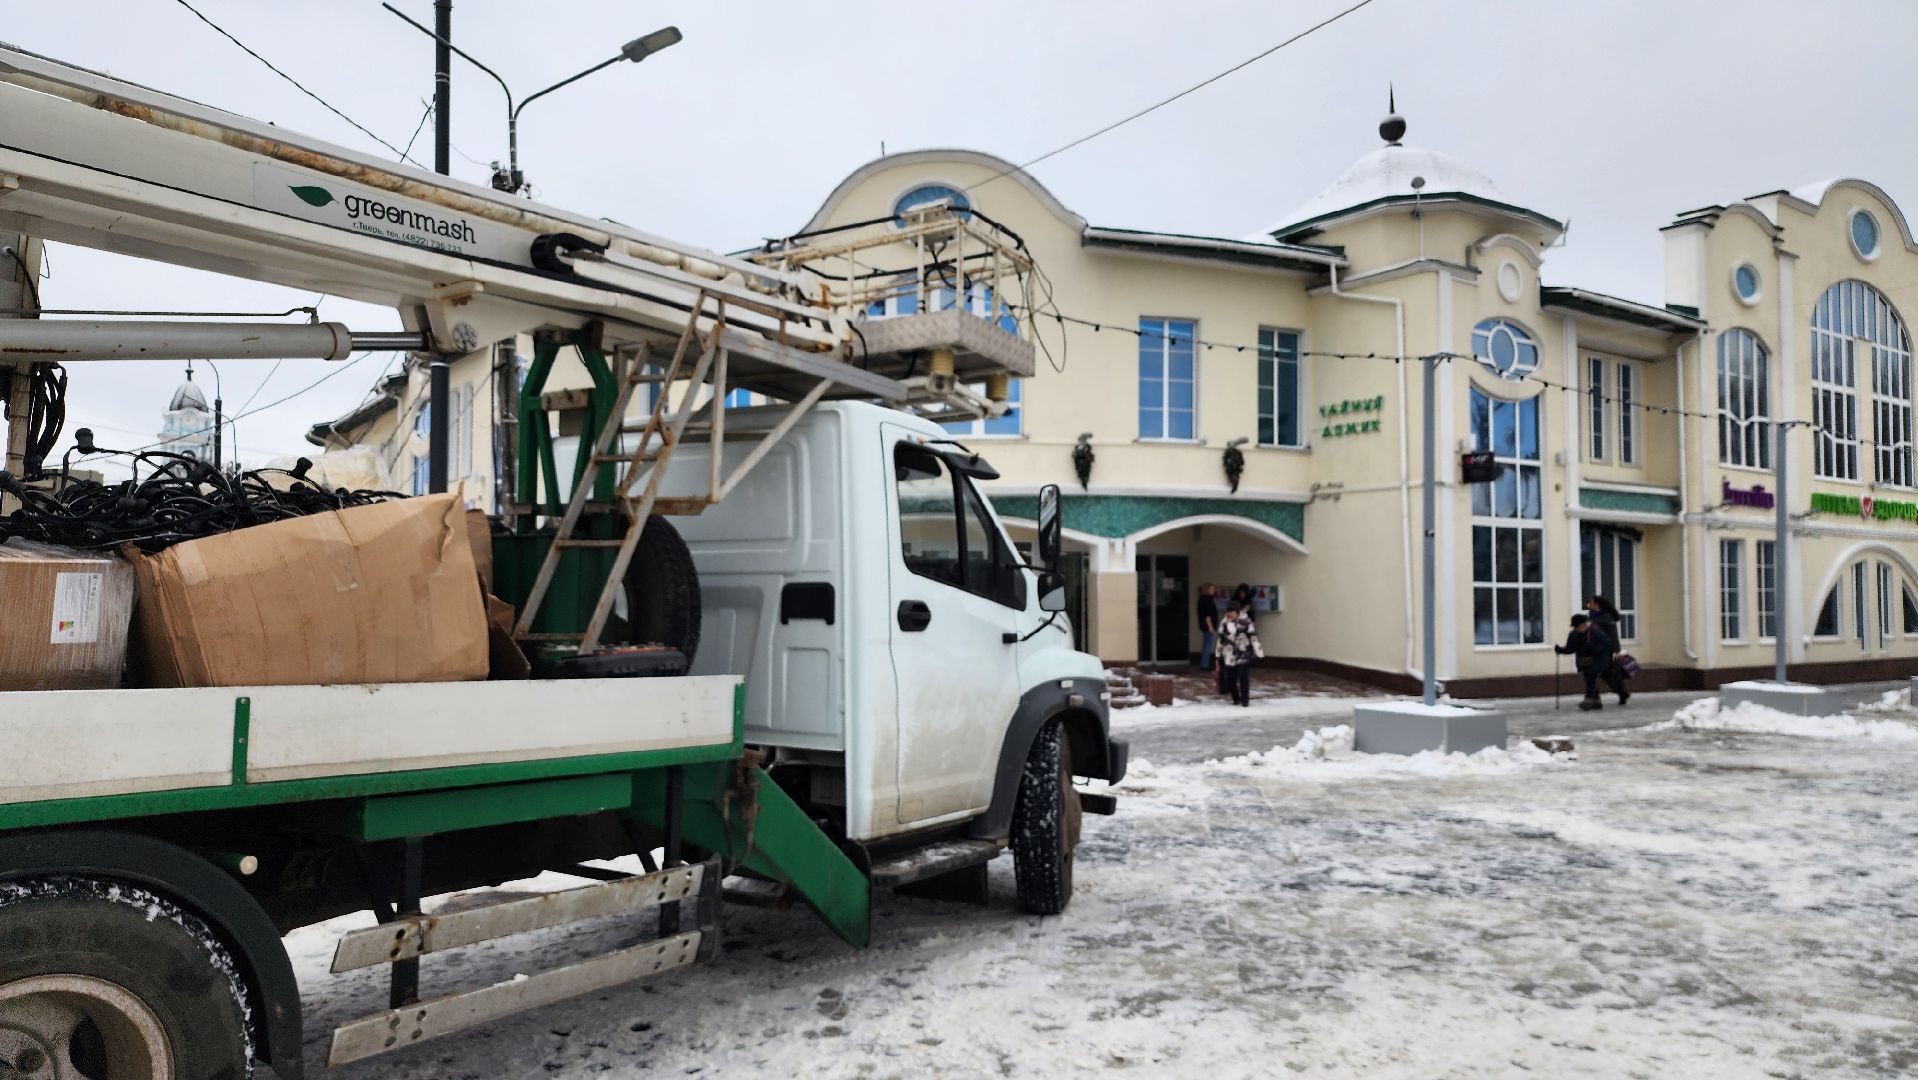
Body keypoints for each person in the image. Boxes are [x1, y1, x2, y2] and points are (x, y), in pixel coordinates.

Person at [1554, 613, 1615, 711]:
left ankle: (1588, 701)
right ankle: (1596, 701)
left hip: (1598, 660)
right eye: (1575, 627)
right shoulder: (1573, 634)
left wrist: (1595, 649)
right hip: (1583, 661)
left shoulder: (1595, 632)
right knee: (1589, 679)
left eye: (1577, 626)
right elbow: (1570, 649)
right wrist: (1560, 650)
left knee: (1591, 678)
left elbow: (1607, 644)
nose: (1576, 628)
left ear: (1583, 624)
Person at [1585, 595, 1630, 706]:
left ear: (1597, 604)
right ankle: (1594, 699)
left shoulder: (1606, 617)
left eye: (1590, 602)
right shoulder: (1592, 616)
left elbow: (1613, 635)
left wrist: (1617, 650)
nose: (1588, 604)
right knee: (1592, 673)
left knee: (1606, 674)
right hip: (1593, 650)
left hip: (1605, 651)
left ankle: (1621, 692)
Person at [1217, 600, 1262, 707]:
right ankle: (1236, 698)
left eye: (1231, 611)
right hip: (1229, 654)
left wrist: (1259, 652)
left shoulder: (1246, 621)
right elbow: (1220, 639)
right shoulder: (1224, 623)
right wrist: (1218, 654)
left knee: (1243, 676)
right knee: (1230, 679)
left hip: (1244, 652)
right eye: (1228, 611)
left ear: (1237, 612)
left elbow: (1253, 636)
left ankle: (1245, 701)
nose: (1229, 614)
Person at [1196, 583, 1219, 673]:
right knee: (1207, 645)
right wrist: (1210, 626)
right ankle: (1204, 664)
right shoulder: (1207, 600)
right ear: (1207, 590)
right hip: (1208, 626)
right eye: (1212, 589)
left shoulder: (1202, 599)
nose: (1214, 591)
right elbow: (1207, 615)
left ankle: (1204, 663)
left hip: (1205, 625)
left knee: (1207, 644)